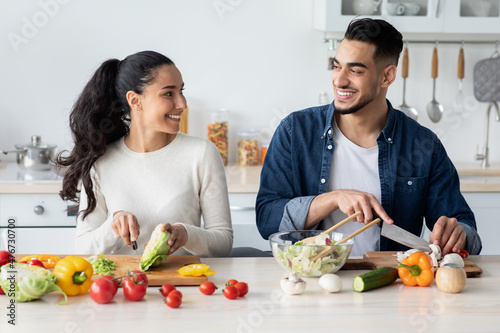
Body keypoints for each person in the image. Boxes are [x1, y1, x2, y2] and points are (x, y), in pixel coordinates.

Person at [256, 18, 482, 256]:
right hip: (309, 278)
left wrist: (459, 234)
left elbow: (466, 229)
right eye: (336, 66)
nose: (339, 80)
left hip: (390, 283)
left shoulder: (423, 145)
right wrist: (333, 199)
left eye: (355, 70)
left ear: (387, 77)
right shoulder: (295, 131)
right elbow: (267, 220)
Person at [57, 51, 233, 256]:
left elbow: (223, 242)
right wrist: (113, 226)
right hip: (122, 285)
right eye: (168, 93)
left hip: (181, 285)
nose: (182, 104)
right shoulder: (101, 161)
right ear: (134, 100)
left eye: (181, 91)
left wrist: (187, 234)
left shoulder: (201, 154)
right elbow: (82, 248)